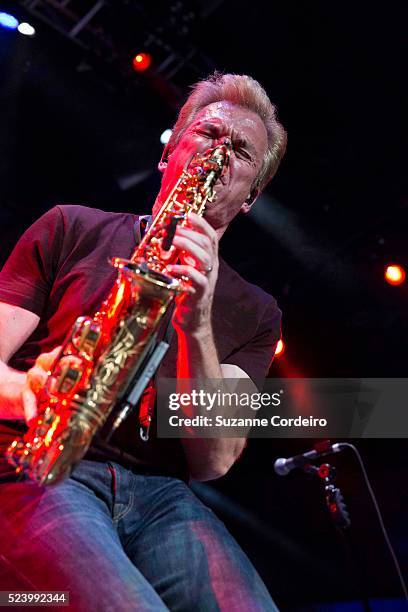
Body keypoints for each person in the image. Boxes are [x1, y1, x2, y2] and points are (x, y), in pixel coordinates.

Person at [0, 73, 287, 610]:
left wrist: (196, 321)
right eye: (207, 134)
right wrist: (25, 390)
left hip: (162, 495)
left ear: (252, 196)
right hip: (42, 464)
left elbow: (215, 459)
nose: (220, 152)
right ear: (169, 154)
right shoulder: (70, 226)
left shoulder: (258, 311)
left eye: (242, 150)